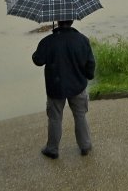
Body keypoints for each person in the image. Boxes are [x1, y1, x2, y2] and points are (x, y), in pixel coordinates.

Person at [32, 19, 96, 159]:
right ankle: (85, 145)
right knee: (80, 115)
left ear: (57, 21)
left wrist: (42, 50)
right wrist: (88, 76)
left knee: (55, 118)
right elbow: (90, 63)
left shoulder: (48, 41)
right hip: (78, 85)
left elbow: (38, 60)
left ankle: (52, 149)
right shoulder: (82, 40)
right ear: (72, 21)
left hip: (56, 87)